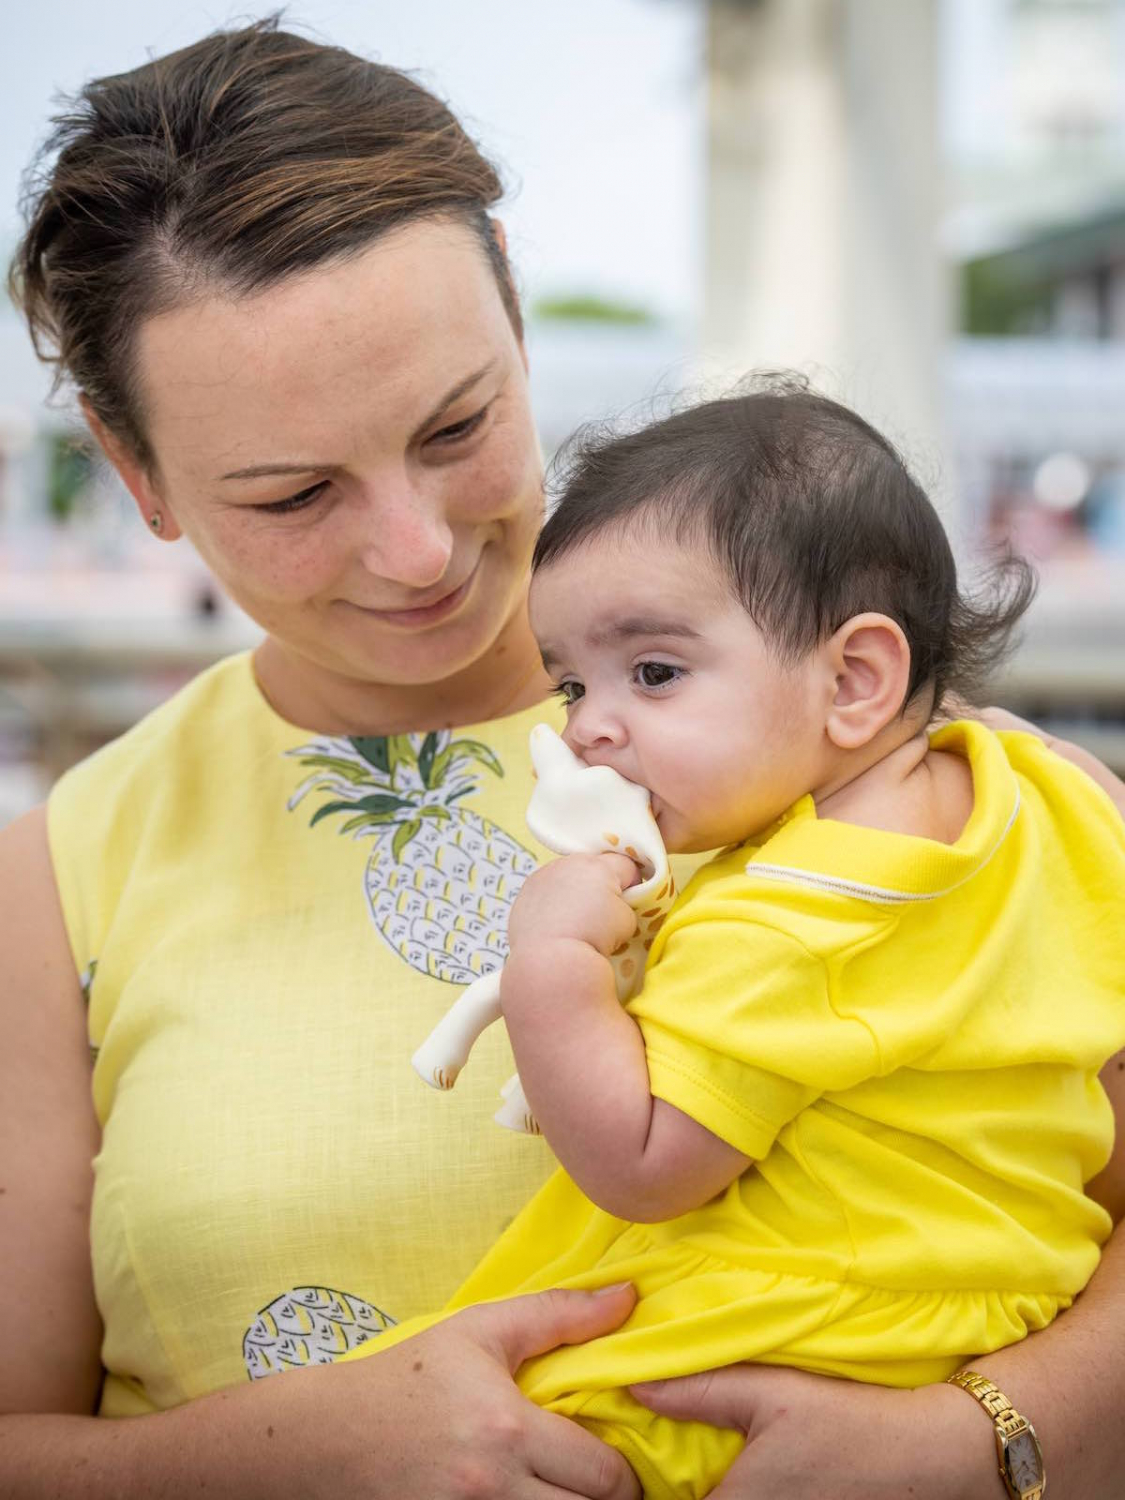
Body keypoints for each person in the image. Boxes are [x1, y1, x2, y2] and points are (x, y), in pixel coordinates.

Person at [1, 18, 1123, 1499]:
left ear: (515, 308)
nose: (415, 551)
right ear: (132, 470)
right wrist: (289, 1457)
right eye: (293, 492)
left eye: (458, 424)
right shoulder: (65, 870)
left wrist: (976, 1440)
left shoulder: (894, 768)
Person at [336, 386, 1125, 1499]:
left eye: (652, 673)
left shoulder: (787, 915)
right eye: (571, 681)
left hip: (780, 1341)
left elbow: (645, 1165)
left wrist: (552, 961)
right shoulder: (1056, 788)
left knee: (442, 1432)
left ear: (854, 680)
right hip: (1005, 1308)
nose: (588, 727)